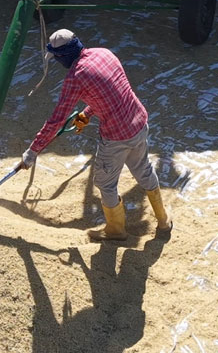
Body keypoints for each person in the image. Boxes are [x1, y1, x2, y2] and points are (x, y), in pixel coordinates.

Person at [19, 29, 170, 241]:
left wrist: (32, 151)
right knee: (143, 170)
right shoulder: (104, 53)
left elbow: (57, 120)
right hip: (139, 123)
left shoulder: (75, 77)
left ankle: (116, 231)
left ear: (63, 56)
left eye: (56, 59)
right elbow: (113, 93)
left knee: (105, 184)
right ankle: (164, 221)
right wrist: (86, 113)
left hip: (116, 137)